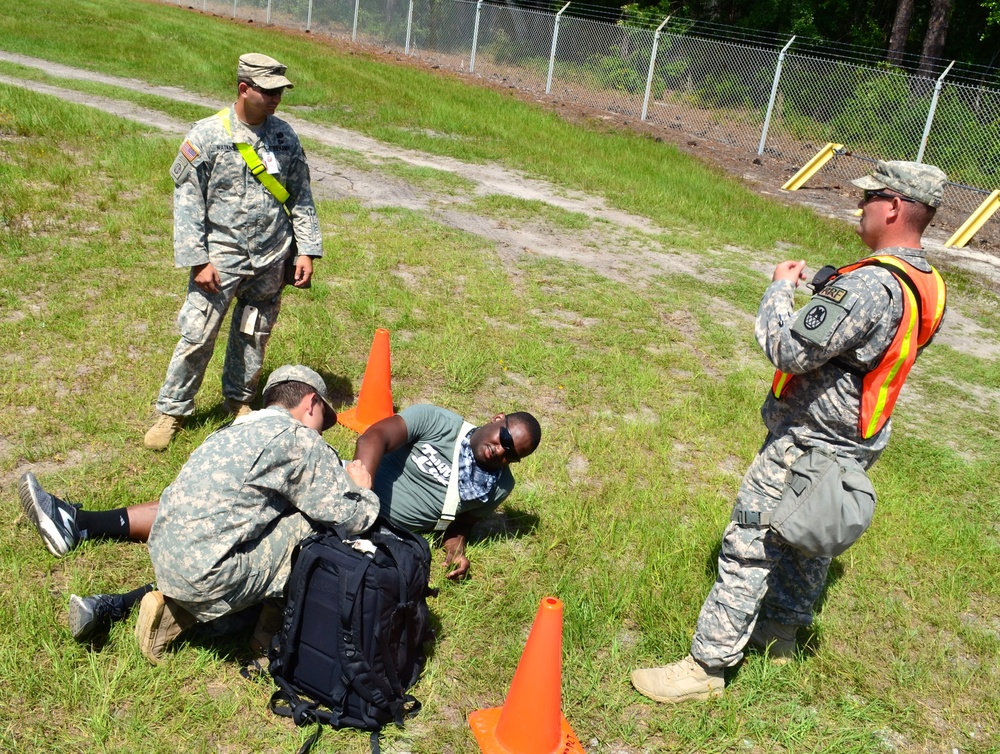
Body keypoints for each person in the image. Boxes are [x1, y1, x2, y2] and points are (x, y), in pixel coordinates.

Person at [630, 160, 948, 703]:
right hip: (853, 441)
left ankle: (705, 668)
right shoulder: (926, 282)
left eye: (870, 198)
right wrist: (826, 290)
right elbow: (871, 344)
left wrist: (780, 290)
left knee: (749, 545)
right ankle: (781, 635)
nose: (861, 206)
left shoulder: (872, 284)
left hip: (806, 444)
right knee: (808, 541)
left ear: (893, 207)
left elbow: (789, 349)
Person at [20, 403, 540, 645]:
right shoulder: (444, 424)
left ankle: (120, 602)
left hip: (378, 530)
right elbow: (376, 436)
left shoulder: (497, 487)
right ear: (494, 418)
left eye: (509, 453)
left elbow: (460, 522)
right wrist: (359, 481)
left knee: (263, 546)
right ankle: (82, 522)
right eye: (501, 437)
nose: (497, 450)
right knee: (239, 512)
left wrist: (454, 551)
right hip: (349, 490)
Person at [19, 365, 379, 662]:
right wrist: (360, 485)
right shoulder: (299, 438)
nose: (321, 430)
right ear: (311, 402)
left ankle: (163, 609)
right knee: (313, 526)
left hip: (164, 553)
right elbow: (351, 517)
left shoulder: (235, 428)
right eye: (323, 420)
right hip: (206, 572)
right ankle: (266, 643)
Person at [144, 53, 323, 451]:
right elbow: (187, 201)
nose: (276, 99)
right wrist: (198, 259)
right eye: (268, 91)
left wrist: (306, 250)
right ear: (244, 88)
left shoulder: (285, 137)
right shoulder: (207, 136)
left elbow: (301, 197)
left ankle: (238, 400)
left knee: (252, 332)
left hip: (271, 256)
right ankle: (172, 411)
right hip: (220, 257)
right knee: (198, 334)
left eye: (281, 92)